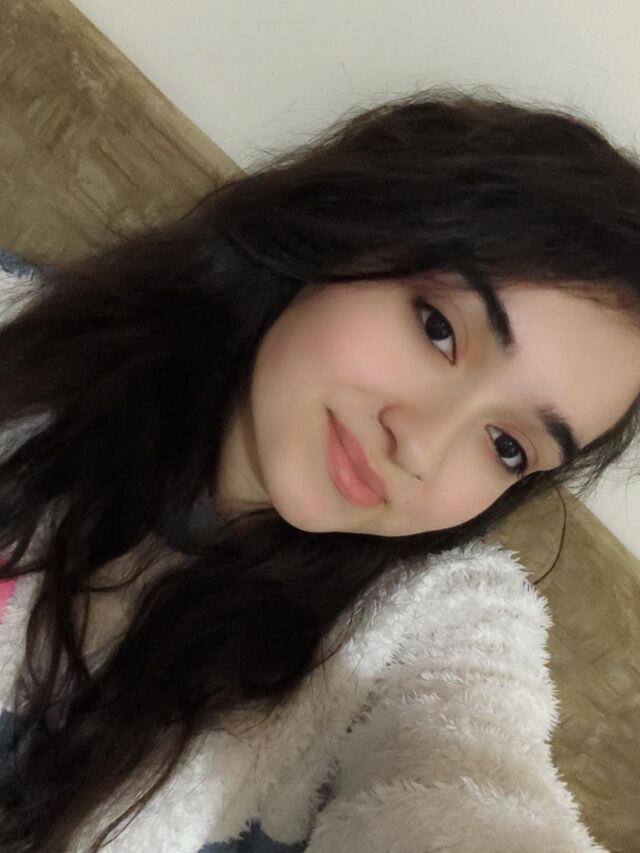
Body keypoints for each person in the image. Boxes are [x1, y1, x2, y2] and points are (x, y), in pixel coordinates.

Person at [0, 85, 639, 851]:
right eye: (438, 328)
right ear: (343, 229)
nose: (421, 446)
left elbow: (468, 782)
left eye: (507, 445)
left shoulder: (428, 624)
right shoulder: (22, 341)